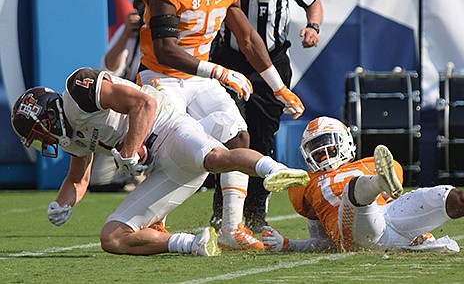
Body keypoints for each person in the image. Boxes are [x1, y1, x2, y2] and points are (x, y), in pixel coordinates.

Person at [10, 67, 310, 256]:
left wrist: (129, 149)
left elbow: (144, 103)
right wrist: (63, 204)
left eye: (40, 133)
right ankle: (191, 243)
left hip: (167, 128)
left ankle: (275, 169)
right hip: (158, 168)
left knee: (215, 157)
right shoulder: (71, 138)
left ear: (48, 115)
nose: (44, 141)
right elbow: (78, 179)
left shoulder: (80, 90)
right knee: (112, 238)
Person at [136, 0, 305, 250]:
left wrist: (277, 86)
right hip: (161, 76)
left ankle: (231, 226)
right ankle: (153, 215)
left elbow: (246, 37)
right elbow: (166, 51)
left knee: (237, 134)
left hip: (198, 78)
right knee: (175, 146)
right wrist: (219, 72)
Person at [260, 116, 464, 253]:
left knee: (455, 197)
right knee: (355, 193)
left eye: (327, 144)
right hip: (353, 235)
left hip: (387, 219)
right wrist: (291, 244)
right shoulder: (305, 184)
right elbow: (325, 242)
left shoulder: (364, 161)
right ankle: (380, 183)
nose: (323, 153)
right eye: (316, 147)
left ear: (346, 143)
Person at [210, 0, 324, 234]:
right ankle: (223, 215)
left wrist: (313, 26)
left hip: (271, 64)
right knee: (230, 136)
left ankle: (256, 215)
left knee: (261, 139)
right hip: (229, 63)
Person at [89, 0, 145, 192]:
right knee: (100, 183)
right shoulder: (129, 31)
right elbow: (109, 69)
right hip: (124, 107)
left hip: (154, 104)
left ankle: (147, 170)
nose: (142, 15)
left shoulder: (166, 32)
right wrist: (127, 33)